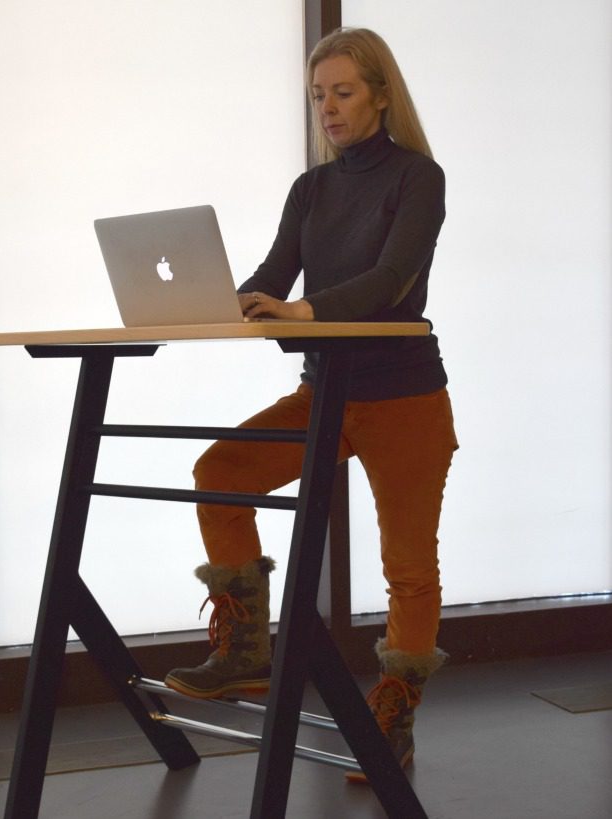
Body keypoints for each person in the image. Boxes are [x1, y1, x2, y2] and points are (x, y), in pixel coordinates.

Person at [164, 27, 458, 780]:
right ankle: (245, 651)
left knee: (407, 567)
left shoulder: (418, 178)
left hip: (404, 399)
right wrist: (217, 301)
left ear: (381, 94)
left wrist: (302, 311)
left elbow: (393, 280)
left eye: (343, 92)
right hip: (325, 394)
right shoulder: (311, 189)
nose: (327, 107)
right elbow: (273, 272)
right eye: (318, 94)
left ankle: (392, 717)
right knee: (220, 470)